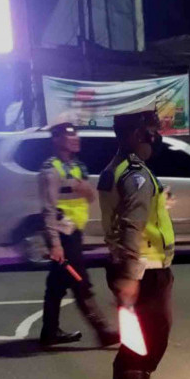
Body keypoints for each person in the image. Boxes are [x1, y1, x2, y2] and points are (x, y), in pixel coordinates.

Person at [97, 110, 182, 379]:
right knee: (145, 348)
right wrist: (132, 279)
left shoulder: (118, 167)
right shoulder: (135, 176)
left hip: (130, 269)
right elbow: (132, 227)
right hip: (144, 273)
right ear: (134, 135)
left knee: (132, 348)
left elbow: (129, 215)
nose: (154, 139)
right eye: (149, 133)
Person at [38, 123, 119, 348]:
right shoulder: (51, 170)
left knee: (55, 285)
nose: (76, 138)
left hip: (74, 234)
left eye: (76, 134)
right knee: (80, 281)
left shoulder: (76, 167)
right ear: (56, 139)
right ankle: (102, 331)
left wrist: (87, 192)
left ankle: (50, 333)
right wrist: (55, 244)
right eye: (69, 135)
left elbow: (89, 198)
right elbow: (48, 210)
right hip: (63, 238)